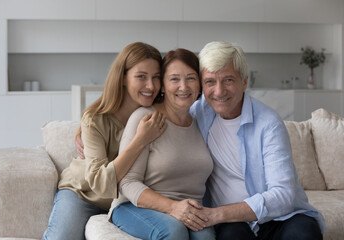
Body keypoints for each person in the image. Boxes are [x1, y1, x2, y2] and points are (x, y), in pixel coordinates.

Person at [188, 41, 325, 239]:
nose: (218, 91)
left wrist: (216, 214)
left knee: (304, 233)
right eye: (210, 81)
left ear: (244, 81)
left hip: (282, 218)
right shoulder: (198, 113)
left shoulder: (269, 123)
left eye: (228, 80)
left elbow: (283, 195)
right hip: (233, 224)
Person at [42, 42, 167, 240]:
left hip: (125, 202)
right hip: (83, 194)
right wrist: (140, 140)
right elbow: (99, 182)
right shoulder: (96, 119)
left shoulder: (160, 114)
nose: (151, 86)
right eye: (141, 76)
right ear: (123, 77)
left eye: (156, 77)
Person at [109, 48, 216, 240]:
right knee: (174, 231)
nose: (184, 87)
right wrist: (173, 207)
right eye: (174, 79)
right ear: (163, 86)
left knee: (206, 237)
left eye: (191, 78)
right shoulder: (145, 118)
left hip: (189, 209)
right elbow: (128, 183)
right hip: (134, 207)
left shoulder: (203, 122)